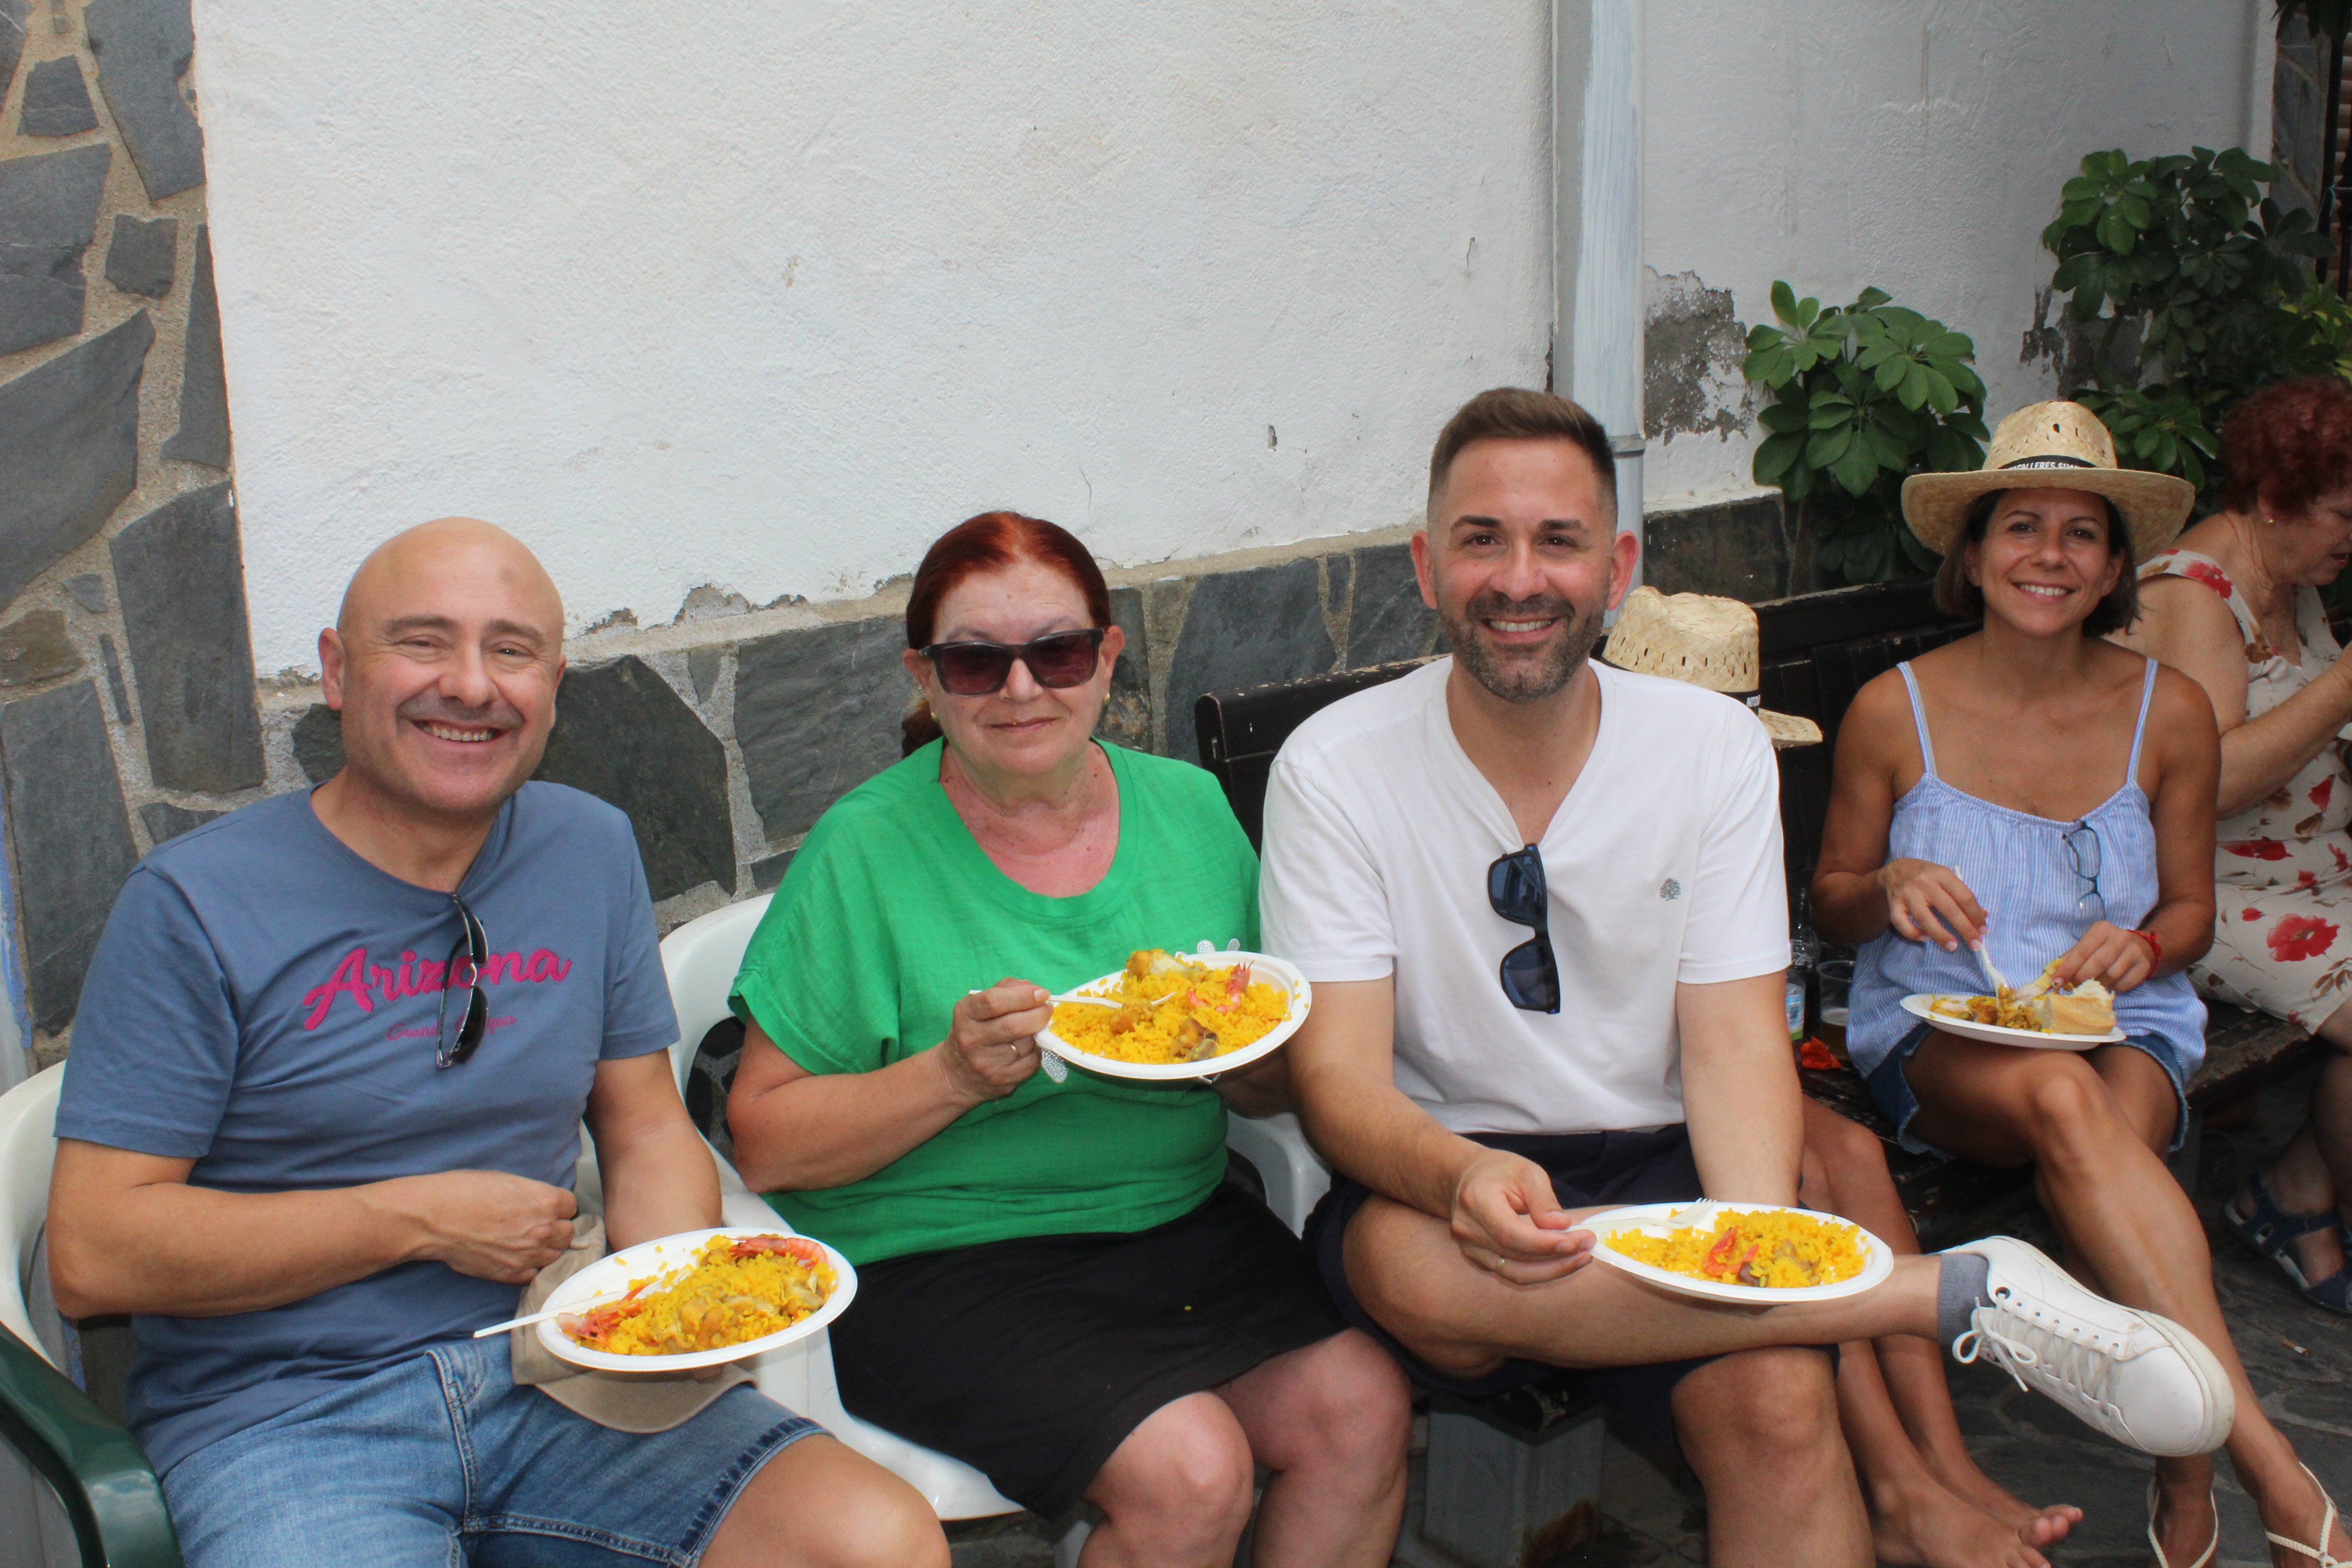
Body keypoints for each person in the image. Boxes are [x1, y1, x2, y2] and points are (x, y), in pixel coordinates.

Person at [1262, 387, 2235, 1568]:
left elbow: (1732, 1046)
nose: (1520, 578)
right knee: (1404, 1272)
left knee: (1781, 1399)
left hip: (1664, 1163)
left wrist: (1752, 1237)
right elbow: (1343, 1084)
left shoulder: (1709, 748)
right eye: (1483, 539)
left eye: (1558, 541)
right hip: (1446, 1178)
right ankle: (1935, 1296)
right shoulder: (1337, 768)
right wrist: (1458, 1173)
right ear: (1426, 564)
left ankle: (1865, 1336)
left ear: (1617, 567)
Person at [46, 519, 947, 1568]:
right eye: (423, 642)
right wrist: (416, 1220)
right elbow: (93, 1254)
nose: (471, 686)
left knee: (877, 1541)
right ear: (338, 672)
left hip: (557, 1375)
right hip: (283, 1421)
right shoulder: (194, 904)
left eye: (511, 650)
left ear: (554, 686)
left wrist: (667, 1304)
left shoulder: (588, 847)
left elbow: (648, 1126)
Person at [723, 512, 1411, 1568]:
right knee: (1194, 1471)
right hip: (936, 1260)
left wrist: (1242, 1055)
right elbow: (764, 1139)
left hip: (1171, 1222)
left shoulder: (1189, 809)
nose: (1021, 689)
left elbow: (1270, 1079)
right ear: (926, 673)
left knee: (1361, 1412)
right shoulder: (865, 847)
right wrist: (950, 1076)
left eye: (1057, 651)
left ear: (1108, 657)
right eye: (975, 661)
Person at [1818, 400, 2349, 1568]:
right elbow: (1836, 897)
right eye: (2020, 526)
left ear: (2116, 565)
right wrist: (1893, 879)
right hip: (1938, 1028)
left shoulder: (2169, 712)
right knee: (2068, 1108)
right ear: (1974, 552)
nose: (2048, 557)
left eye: (2081, 534)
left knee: (2093, 1112)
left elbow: (2192, 916)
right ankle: (2265, 1463)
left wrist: (2146, 949)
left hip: (2125, 1022)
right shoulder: (1890, 711)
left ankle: (2188, 1457)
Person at [2120, 376, 2352, 1317]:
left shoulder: (2293, 580)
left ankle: (2294, 1191)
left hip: (2315, 882)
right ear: (2268, 500)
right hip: (2210, 900)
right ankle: (2297, 1203)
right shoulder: (2193, 596)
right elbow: (2202, 784)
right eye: (2340, 513)